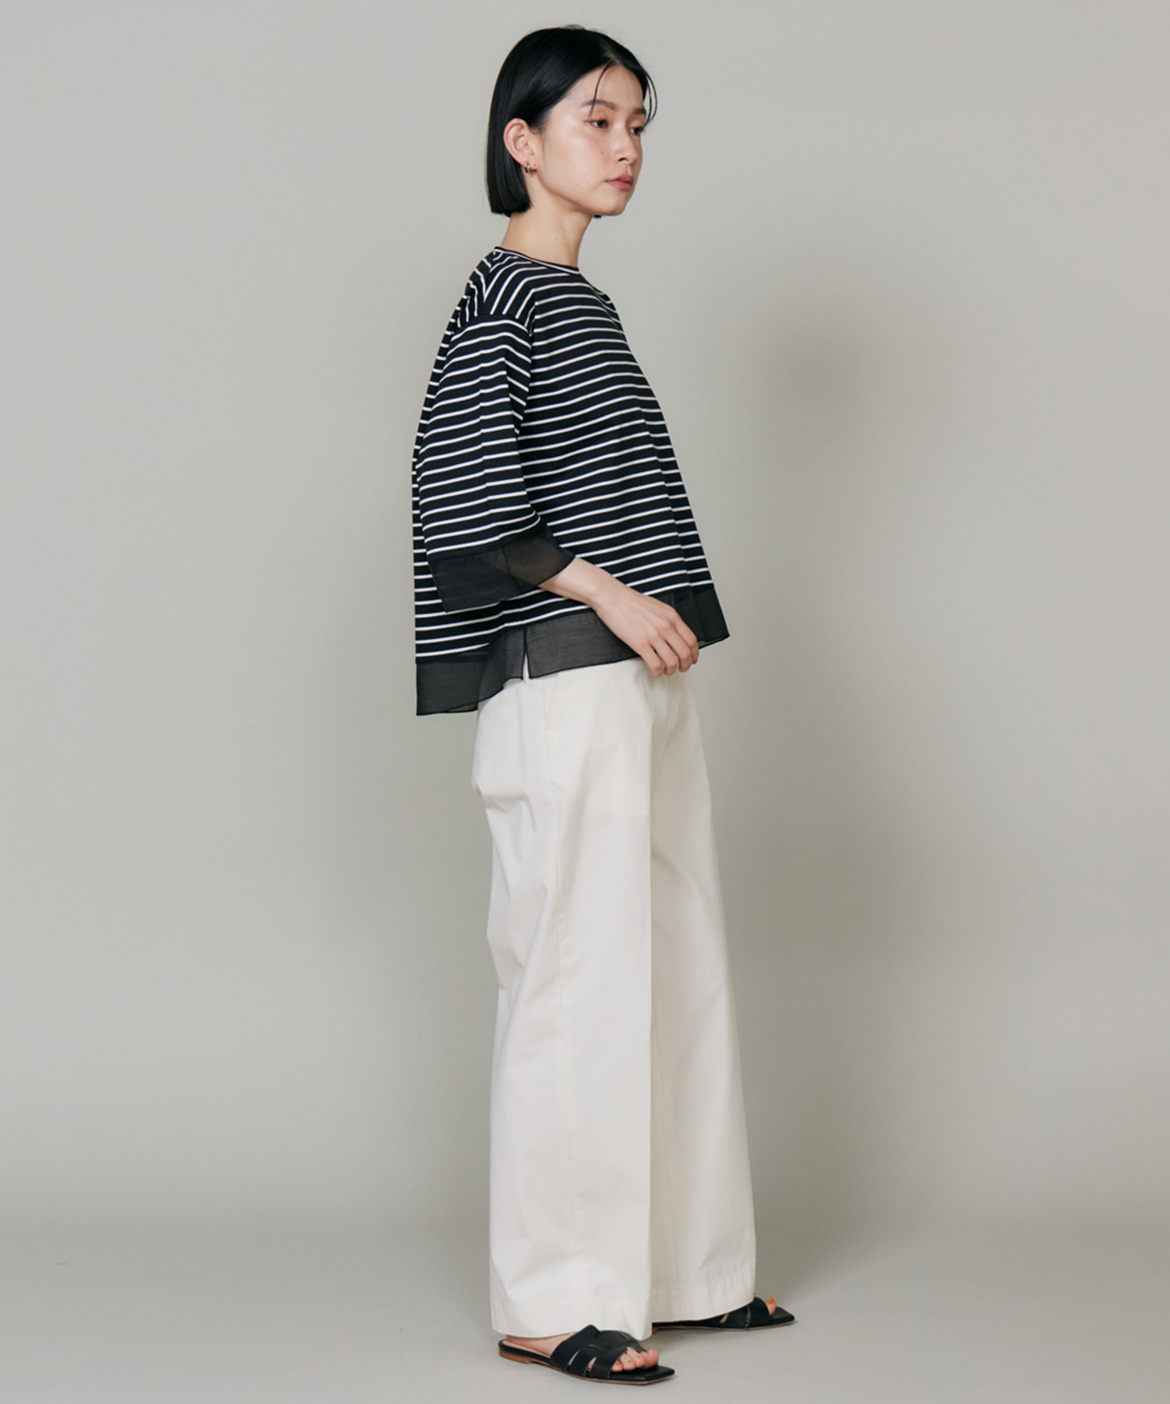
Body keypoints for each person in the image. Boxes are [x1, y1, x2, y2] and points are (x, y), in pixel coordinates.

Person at [411, 24, 795, 1386]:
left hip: (633, 679)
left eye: (638, 123)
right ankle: (554, 1298)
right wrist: (616, 597)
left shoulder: (580, 301)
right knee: (576, 980)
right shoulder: (505, 297)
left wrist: (643, 624)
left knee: (674, 962)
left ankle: (685, 1269)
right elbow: (460, 506)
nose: (625, 146)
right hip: (565, 681)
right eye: (596, 119)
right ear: (521, 142)